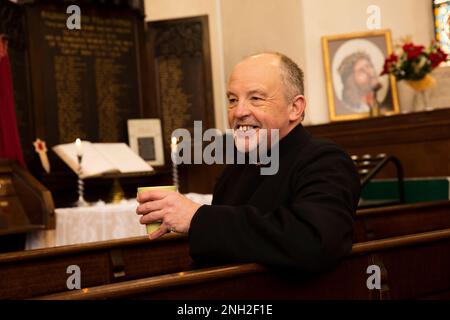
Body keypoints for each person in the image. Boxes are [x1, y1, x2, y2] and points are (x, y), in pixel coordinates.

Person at [136, 52, 360, 273]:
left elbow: (313, 241)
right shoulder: (235, 170)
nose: (239, 112)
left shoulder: (325, 160)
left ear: (295, 108)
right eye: (233, 100)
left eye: (256, 98)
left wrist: (197, 218)